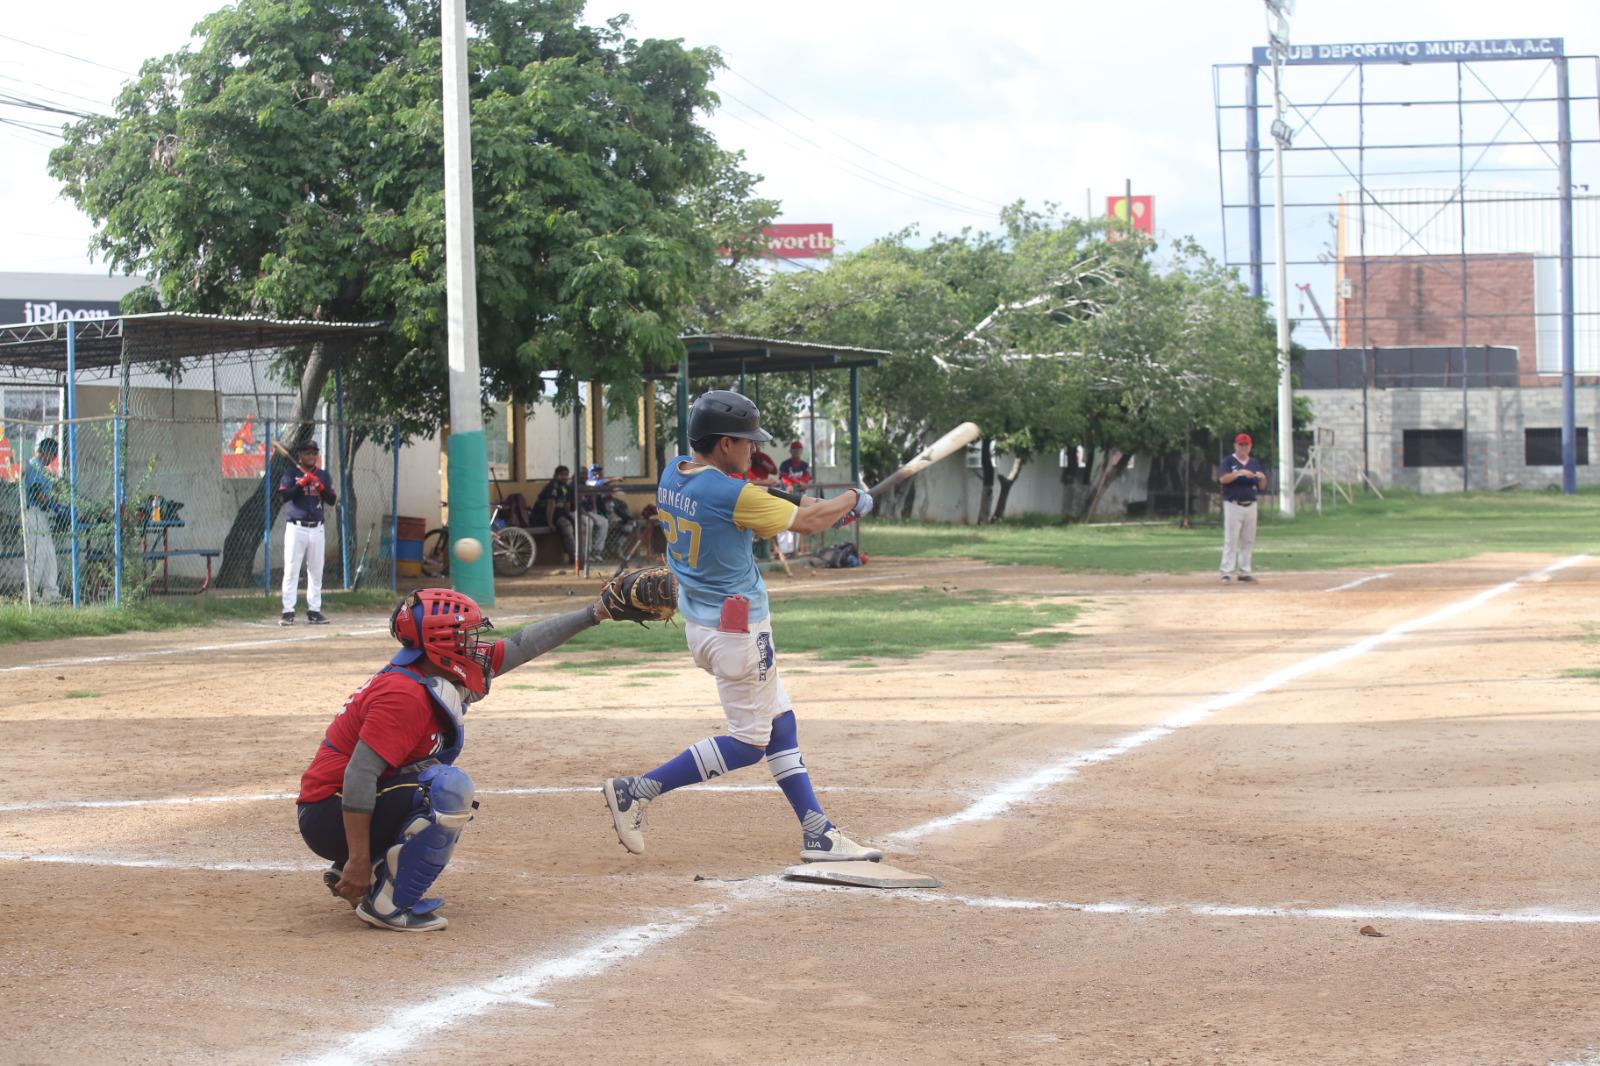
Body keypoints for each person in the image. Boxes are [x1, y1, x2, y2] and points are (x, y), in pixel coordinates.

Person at [602, 389, 880, 863]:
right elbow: (808, 523)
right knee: (749, 743)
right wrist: (854, 498)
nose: (754, 449)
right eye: (747, 441)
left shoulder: (676, 471)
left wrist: (824, 501)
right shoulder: (731, 494)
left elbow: (773, 499)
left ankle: (817, 831)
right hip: (738, 634)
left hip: (705, 624)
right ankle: (637, 790)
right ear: (725, 443)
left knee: (780, 722)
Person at [296, 581, 659, 931]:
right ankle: (388, 901)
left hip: (343, 806)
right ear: (439, 643)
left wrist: (596, 613)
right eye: (463, 636)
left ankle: (373, 866)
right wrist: (356, 858)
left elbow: (520, 646)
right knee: (447, 789)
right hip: (330, 812)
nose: (473, 644)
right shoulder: (403, 694)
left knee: (432, 778)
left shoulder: (429, 674)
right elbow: (359, 774)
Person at [277, 440, 336, 625]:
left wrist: (319, 486)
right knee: (292, 570)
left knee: (316, 571)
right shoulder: (291, 473)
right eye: (307, 453)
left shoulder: (323, 476)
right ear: (300, 456)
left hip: (317, 528)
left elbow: (332, 500)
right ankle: (288, 611)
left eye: (313, 453)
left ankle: (314, 610)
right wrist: (302, 483)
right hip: (296, 527)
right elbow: (284, 496)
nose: (311, 456)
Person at [21, 437, 66, 602]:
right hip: (33, 513)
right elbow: (37, 493)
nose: (53, 459)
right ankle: (30, 594)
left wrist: (56, 504)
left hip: (41, 515)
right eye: (53, 455)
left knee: (49, 553)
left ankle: (51, 592)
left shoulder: (41, 468)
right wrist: (56, 507)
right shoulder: (34, 466)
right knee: (37, 553)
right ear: (46, 452)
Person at [1219, 432, 1267, 584]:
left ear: (1250, 446)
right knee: (1231, 540)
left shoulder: (1254, 463)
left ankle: (1244, 571)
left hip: (1251, 504)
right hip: (1233, 504)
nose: (1244, 447)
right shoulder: (1229, 461)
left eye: (1246, 444)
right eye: (1241, 444)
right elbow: (1223, 479)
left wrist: (1262, 478)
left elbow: (1262, 486)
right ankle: (1226, 572)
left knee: (1248, 540)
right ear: (1236, 445)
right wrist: (1239, 473)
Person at [537, 465, 604, 565]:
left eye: (566, 475)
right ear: (556, 475)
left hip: (561, 514)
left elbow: (567, 506)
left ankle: (584, 554)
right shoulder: (553, 486)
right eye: (562, 475)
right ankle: (575, 557)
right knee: (567, 527)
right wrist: (550, 523)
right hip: (545, 516)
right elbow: (551, 506)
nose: (564, 477)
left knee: (575, 524)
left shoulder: (566, 487)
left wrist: (569, 516)